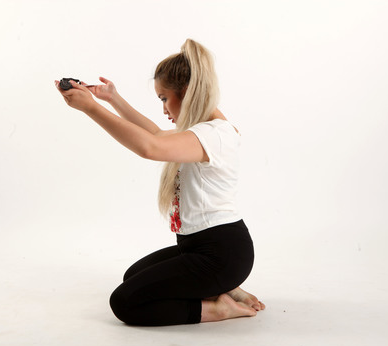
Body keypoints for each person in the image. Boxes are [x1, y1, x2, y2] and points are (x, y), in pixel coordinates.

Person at [55, 39, 265, 326]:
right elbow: (154, 133)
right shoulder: (202, 131)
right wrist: (112, 98)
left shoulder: (216, 135)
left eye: (164, 98)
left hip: (221, 254)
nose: (164, 109)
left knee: (125, 302)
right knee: (134, 278)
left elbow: (149, 147)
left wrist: (91, 108)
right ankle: (224, 288)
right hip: (198, 247)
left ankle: (218, 308)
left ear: (187, 92)